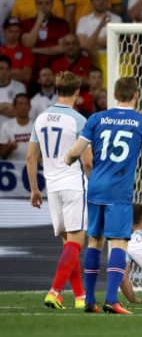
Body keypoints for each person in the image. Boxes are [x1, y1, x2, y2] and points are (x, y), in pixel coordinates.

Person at [64, 76, 142, 314]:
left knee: (94, 241)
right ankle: (112, 299)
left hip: (95, 187)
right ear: (136, 95)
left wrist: (68, 159)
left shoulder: (96, 118)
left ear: (114, 95)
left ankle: (89, 300)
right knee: (119, 243)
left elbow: (75, 152)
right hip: (119, 192)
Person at [26, 71, 92, 310]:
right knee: (76, 243)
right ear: (77, 92)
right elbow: (86, 162)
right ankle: (54, 292)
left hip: (52, 187)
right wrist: (94, 186)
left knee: (68, 246)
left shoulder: (41, 118)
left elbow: (31, 156)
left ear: (56, 90)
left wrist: (34, 189)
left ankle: (80, 297)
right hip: (74, 185)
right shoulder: (79, 120)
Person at [20, 0, 69, 83]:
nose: (43, 6)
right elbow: (27, 44)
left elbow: (62, 48)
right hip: (33, 72)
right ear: (36, 5)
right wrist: (39, 21)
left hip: (56, 72)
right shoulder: (26, 23)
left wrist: (36, 50)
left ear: (52, 4)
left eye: (47, 3)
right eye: (40, 3)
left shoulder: (61, 24)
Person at [0, 93, 32, 160]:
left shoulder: (37, 125)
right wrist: (10, 148)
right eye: (20, 104)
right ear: (14, 107)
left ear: (30, 107)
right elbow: (2, 153)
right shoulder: (6, 126)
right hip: (13, 168)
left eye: (26, 104)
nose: (23, 107)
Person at [0, 55, 26, 128]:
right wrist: (8, 105)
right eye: (1, 68)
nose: (4, 72)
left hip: (13, 129)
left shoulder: (19, 87)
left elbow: (19, 111)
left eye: (7, 69)